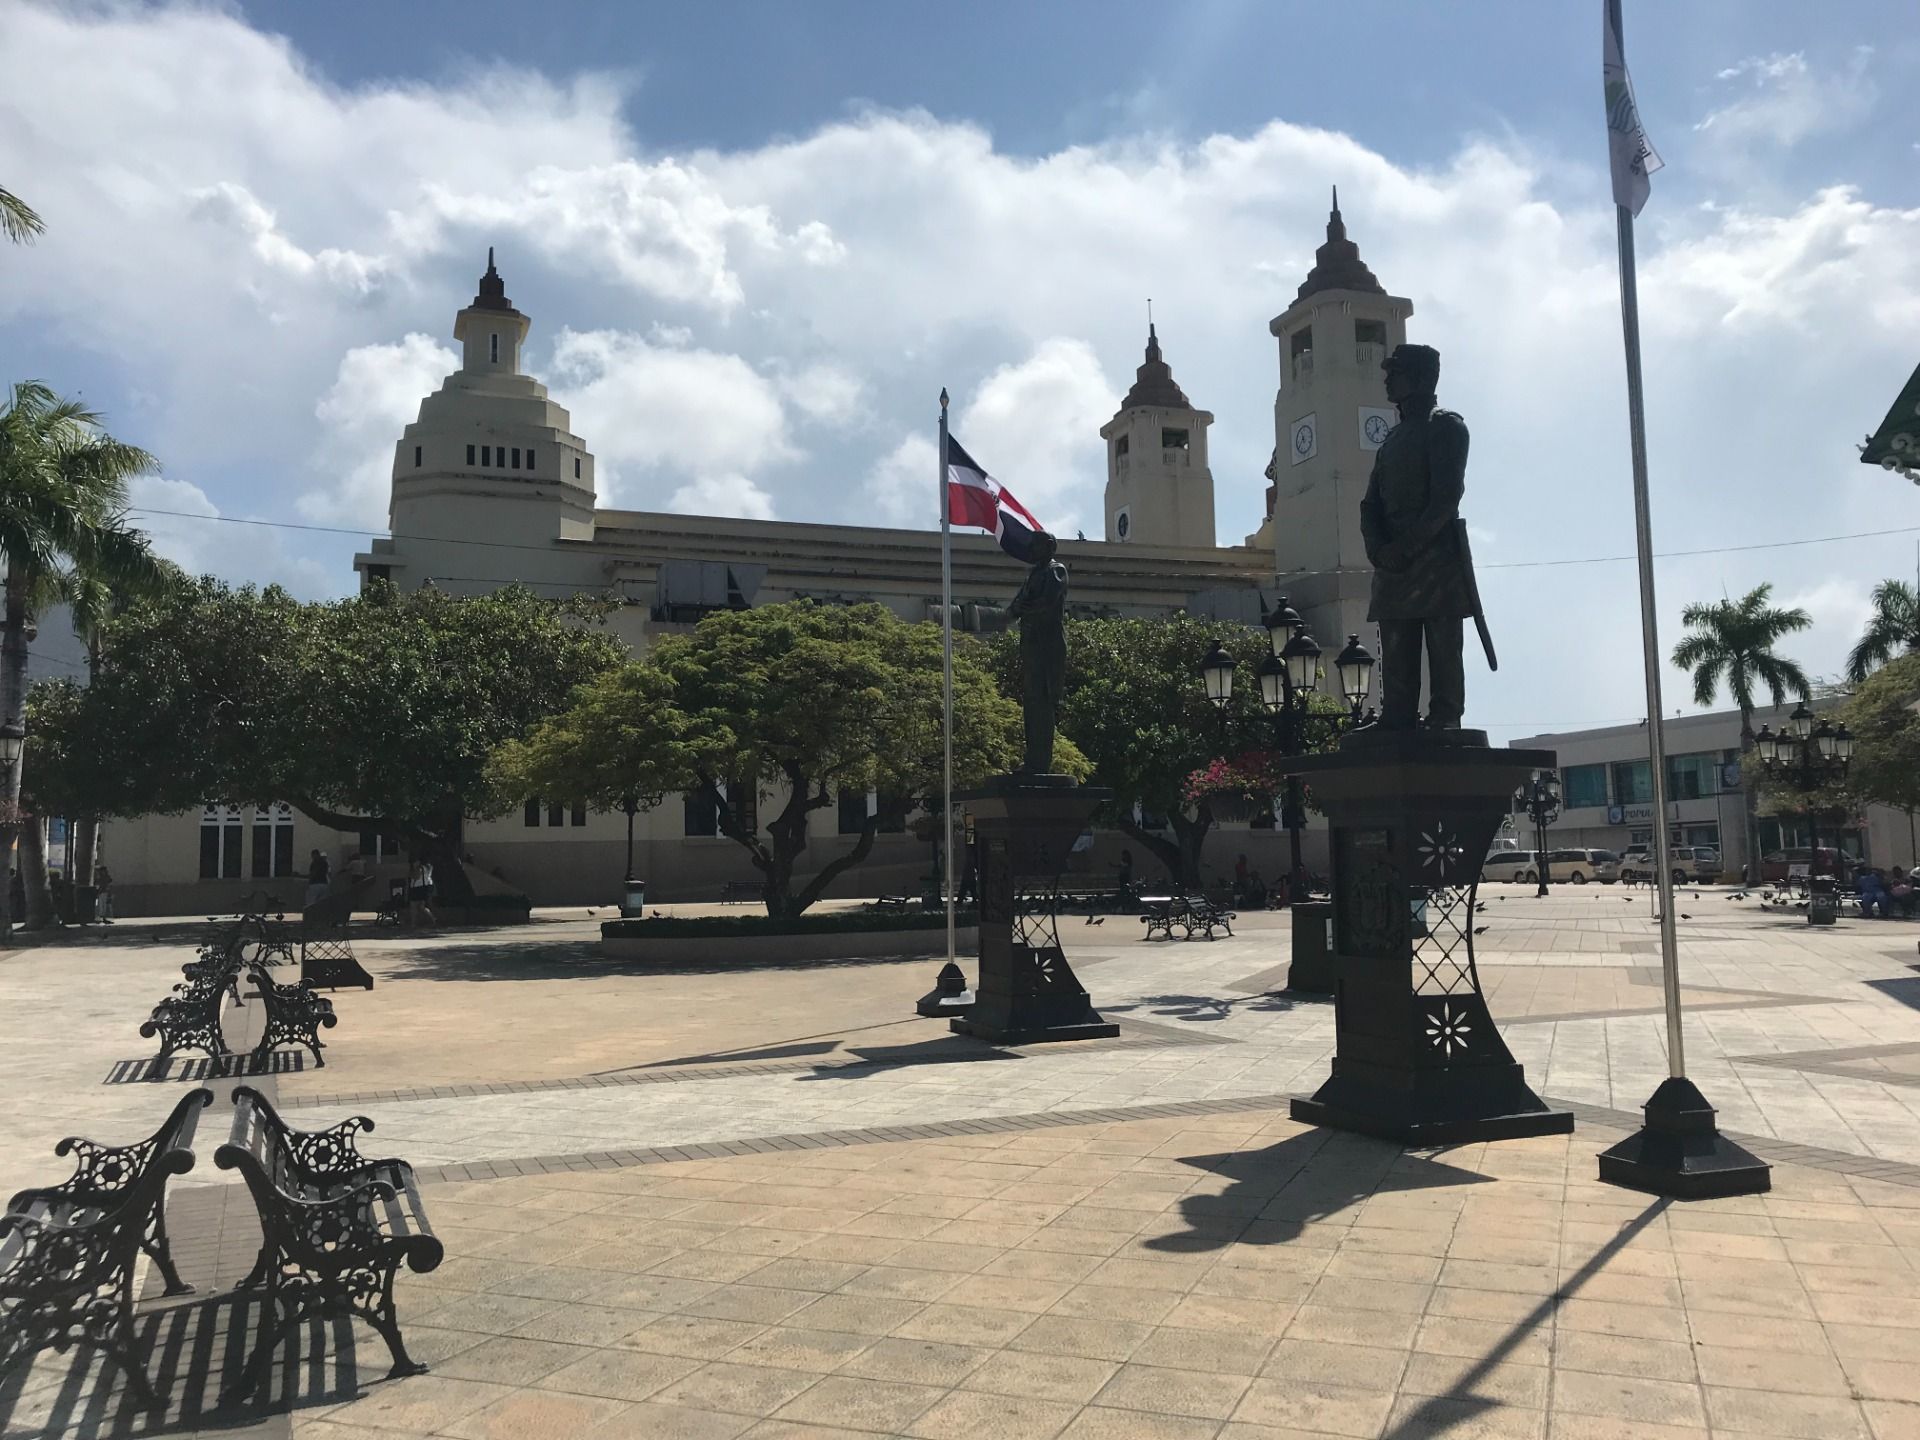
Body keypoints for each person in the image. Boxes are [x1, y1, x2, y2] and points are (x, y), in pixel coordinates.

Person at [408, 855, 436, 927]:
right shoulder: (429, 867)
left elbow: (416, 877)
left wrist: (413, 870)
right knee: (421, 906)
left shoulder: (420, 868)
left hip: (417, 888)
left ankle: (413, 923)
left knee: (414, 905)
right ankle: (432, 918)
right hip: (425, 886)